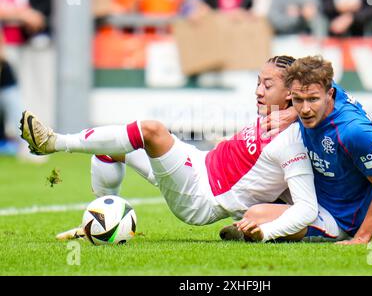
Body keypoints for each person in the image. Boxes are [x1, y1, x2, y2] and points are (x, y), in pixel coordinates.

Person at [20, 56, 331, 243]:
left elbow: (331, 99)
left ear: (291, 93)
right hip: (199, 164)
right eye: (258, 82)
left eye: (267, 85)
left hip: (201, 196)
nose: (258, 90)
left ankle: (53, 143)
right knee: (111, 147)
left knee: (151, 131)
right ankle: (96, 222)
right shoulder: (275, 116)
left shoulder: (293, 140)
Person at [226, 56, 372, 245]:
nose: (305, 109)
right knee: (251, 206)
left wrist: (362, 238)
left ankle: (268, 229)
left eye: (313, 99)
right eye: (298, 99)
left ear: (329, 94)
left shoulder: (354, 131)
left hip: (338, 216)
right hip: (311, 194)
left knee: (255, 216)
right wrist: (292, 112)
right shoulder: (314, 84)